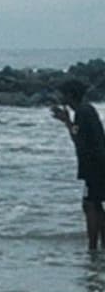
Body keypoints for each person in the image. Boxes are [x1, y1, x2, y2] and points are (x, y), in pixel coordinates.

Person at [52, 79, 105, 250]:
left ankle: (92, 248)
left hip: (94, 164)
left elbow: (79, 139)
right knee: (96, 204)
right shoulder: (87, 110)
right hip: (99, 163)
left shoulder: (82, 112)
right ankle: (101, 246)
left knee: (89, 205)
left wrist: (66, 121)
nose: (59, 96)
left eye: (62, 93)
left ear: (70, 95)